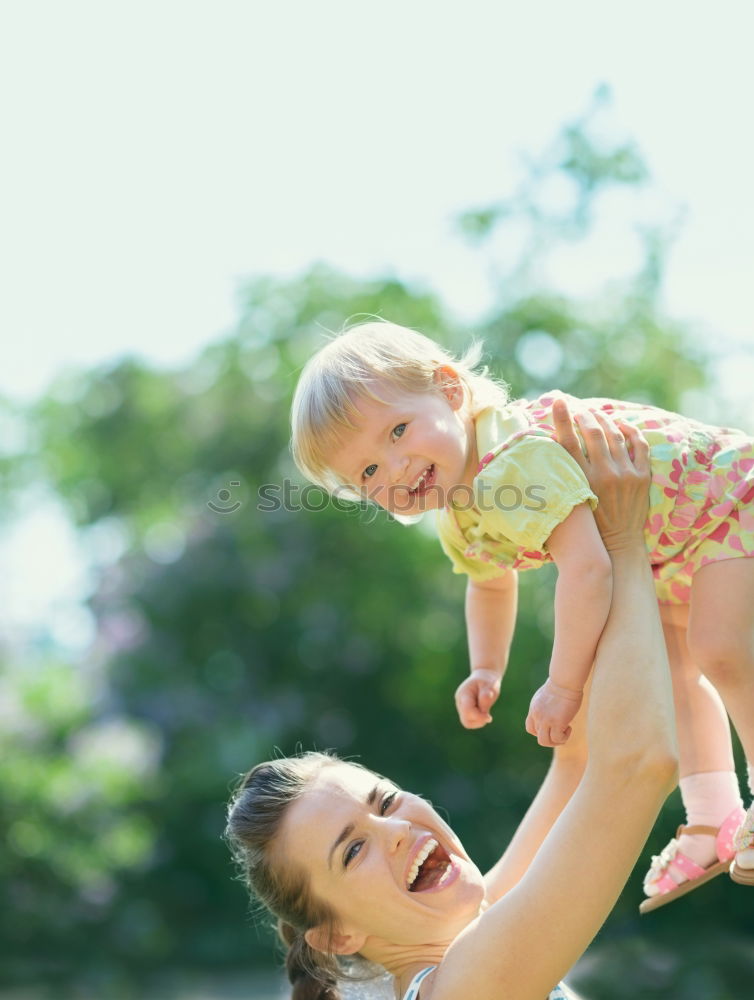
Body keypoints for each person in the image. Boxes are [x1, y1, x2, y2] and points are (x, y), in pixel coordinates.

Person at [289, 321, 754, 910]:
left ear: (451, 391)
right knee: (675, 674)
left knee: (720, 649)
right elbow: (489, 583)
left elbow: (588, 571)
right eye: (369, 474)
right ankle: (713, 817)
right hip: (668, 547)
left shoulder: (513, 459)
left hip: (723, 494)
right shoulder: (458, 510)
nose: (396, 469)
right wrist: (486, 668)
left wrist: (564, 687)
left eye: (398, 431)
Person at [227, 404, 678, 1000]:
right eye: (353, 849)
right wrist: (622, 541)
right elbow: (636, 766)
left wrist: (573, 530)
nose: (392, 830)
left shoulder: (467, 934)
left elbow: (578, 762)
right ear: (338, 935)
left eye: (385, 800)